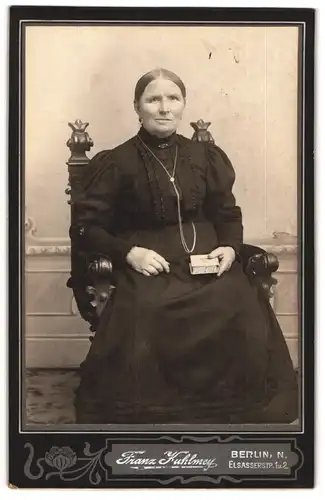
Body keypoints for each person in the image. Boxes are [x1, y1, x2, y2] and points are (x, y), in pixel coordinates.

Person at [72, 68, 298, 424]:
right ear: (137, 107)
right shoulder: (116, 162)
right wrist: (129, 253)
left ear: (183, 105)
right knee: (148, 307)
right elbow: (86, 228)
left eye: (172, 98)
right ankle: (159, 411)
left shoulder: (206, 157)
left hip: (209, 257)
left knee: (238, 299)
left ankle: (232, 407)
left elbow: (227, 212)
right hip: (149, 262)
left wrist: (230, 248)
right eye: (153, 99)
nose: (164, 108)